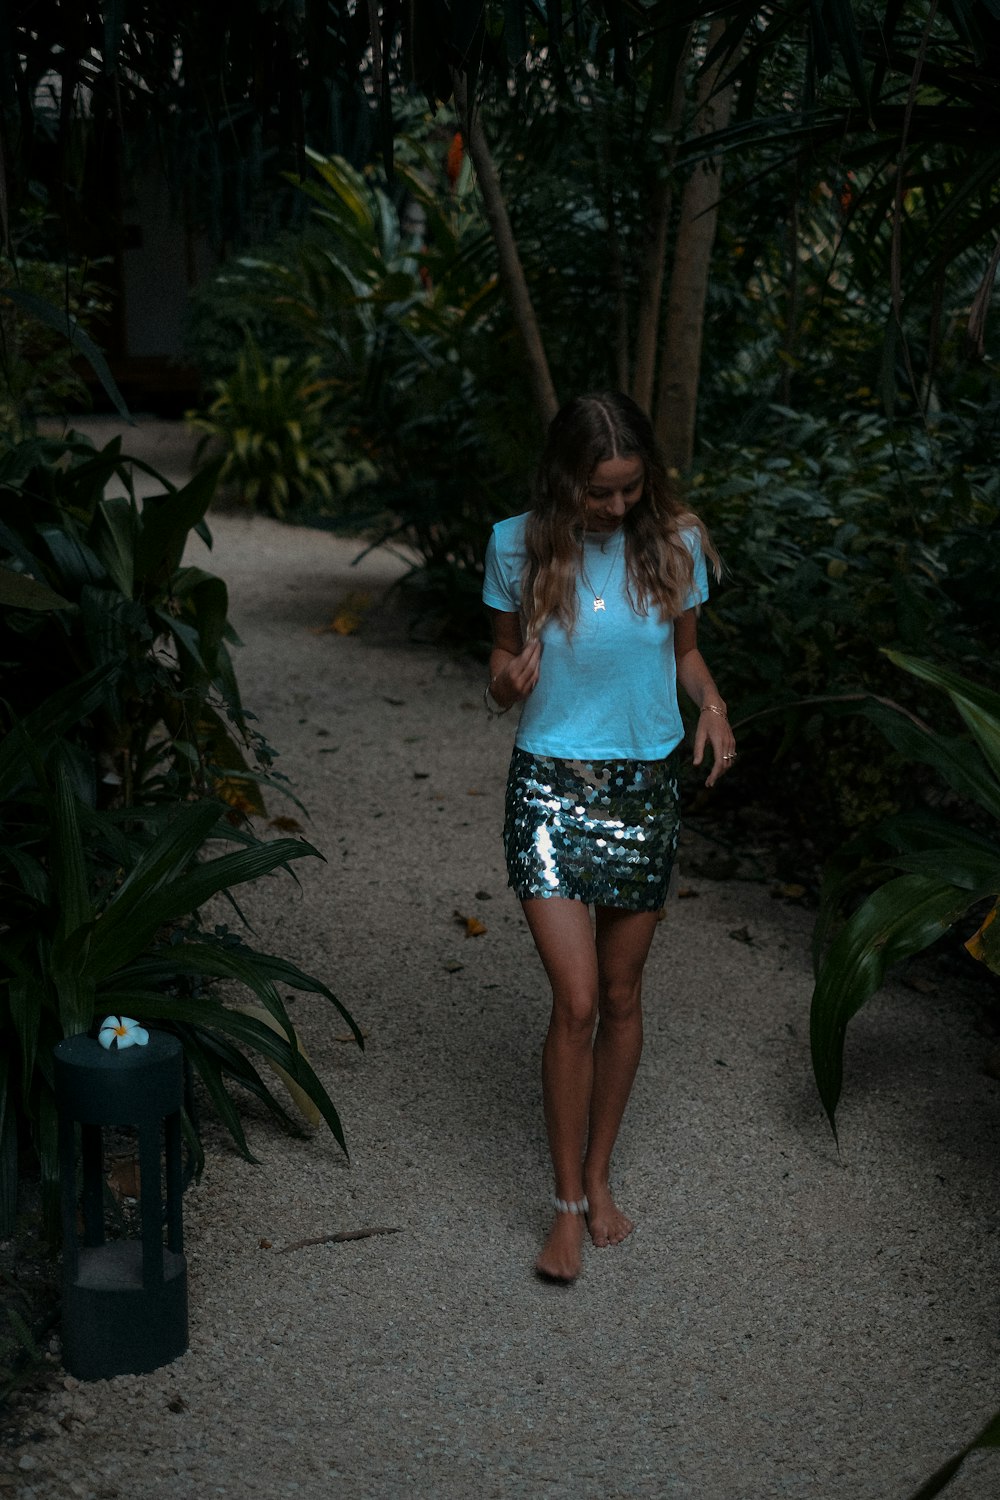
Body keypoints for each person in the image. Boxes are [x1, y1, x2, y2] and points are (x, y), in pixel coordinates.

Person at [481, 391, 736, 1284]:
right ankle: (561, 1207)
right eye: (600, 492)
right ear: (564, 479)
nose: (618, 507)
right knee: (578, 1001)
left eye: (630, 490)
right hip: (549, 788)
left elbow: (687, 657)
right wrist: (511, 680)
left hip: (646, 790)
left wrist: (712, 708)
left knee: (623, 999)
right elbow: (497, 673)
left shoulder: (676, 544)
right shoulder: (515, 544)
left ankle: (598, 1177)